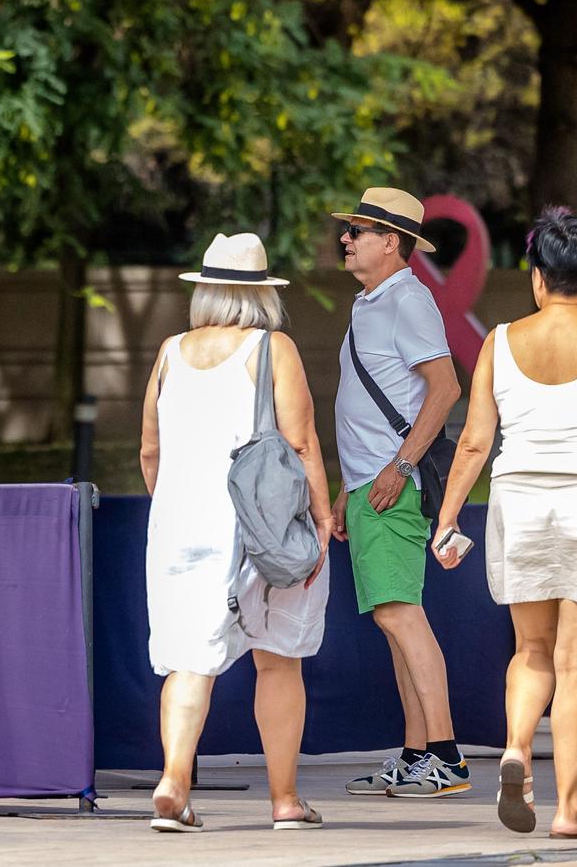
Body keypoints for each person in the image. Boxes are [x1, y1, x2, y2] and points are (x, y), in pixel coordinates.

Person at [433, 209, 577, 840]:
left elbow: (474, 442)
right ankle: (568, 811)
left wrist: (449, 513)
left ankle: (517, 745)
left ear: (538, 277)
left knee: (531, 650)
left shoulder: (499, 342)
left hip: (520, 501)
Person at [141, 232, 333, 833]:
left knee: (187, 662)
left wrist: (174, 503)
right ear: (262, 296)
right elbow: (301, 444)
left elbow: (149, 450)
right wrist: (324, 519)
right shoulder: (272, 349)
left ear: (204, 292)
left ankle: (176, 779)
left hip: (176, 525)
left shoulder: (170, 352)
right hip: (261, 530)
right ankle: (284, 802)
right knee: (278, 663)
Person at [330, 187, 468, 798]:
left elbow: (445, 389)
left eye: (357, 230)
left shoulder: (408, 300)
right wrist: (346, 488)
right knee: (394, 619)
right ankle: (417, 755)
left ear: (392, 242)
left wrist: (397, 467)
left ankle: (447, 756)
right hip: (370, 486)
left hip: (391, 488)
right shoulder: (373, 302)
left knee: (399, 614)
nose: (345, 238)